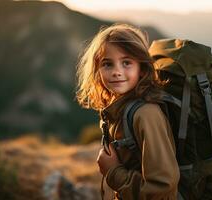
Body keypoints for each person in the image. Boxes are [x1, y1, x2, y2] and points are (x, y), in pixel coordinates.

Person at [76, 23, 180, 200]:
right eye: (107, 64)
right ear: (98, 70)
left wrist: (113, 172)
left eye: (126, 63)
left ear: (142, 68)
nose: (117, 72)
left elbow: (162, 191)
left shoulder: (146, 114)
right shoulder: (119, 109)